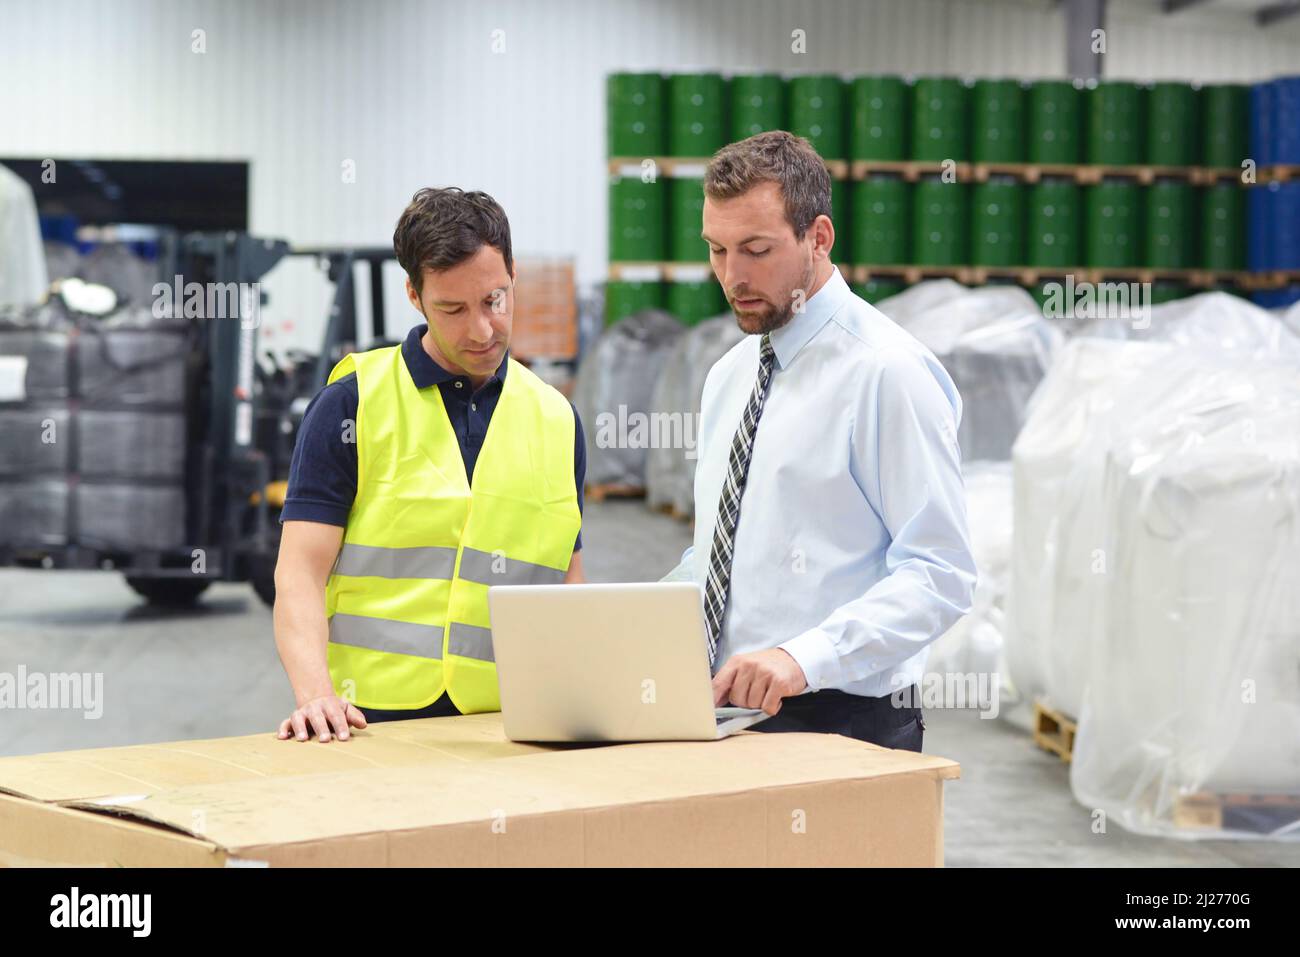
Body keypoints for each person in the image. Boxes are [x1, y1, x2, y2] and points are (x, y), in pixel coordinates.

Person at [667, 131, 977, 751]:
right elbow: (720, 553)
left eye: (757, 250)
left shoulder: (886, 373)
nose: (733, 276)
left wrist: (802, 657)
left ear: (819, 237)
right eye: (717, 250)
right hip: (726, 716)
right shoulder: (730, 374)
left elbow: (940, 572)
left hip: (844, 721)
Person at [273, 187, 586, 743]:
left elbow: (567, 577)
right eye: (453, 309)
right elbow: (299, 572)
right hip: (366, 720)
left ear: (512, 274)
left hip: (510, 723)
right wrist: (315, 695)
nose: (482, 330)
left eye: (494, 300)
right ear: (414, 296)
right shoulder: (352, 404)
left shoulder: (557, 418)